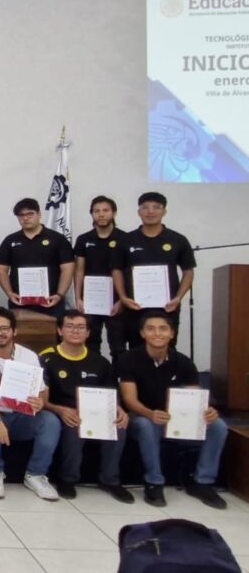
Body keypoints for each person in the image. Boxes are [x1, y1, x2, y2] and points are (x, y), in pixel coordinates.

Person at [118, 312, 228, 509]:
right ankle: (154, 482)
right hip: (142, 417)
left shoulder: (183, 362)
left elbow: (196, 398)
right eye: (151, 329)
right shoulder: (129, 359)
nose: (157, 333)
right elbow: (129, 399)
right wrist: (150, 414)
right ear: (142, 333)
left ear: (172, 333)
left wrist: (208, 410)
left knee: (218, 426)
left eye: (163, 329)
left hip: (176, 420)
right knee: (144, 424)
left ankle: (202, 482)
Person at [0, 307, 61, 501]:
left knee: (50, 421)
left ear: (14, 331)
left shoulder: (29, 356)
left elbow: (42, 391)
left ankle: (36, 475)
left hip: (20, 415)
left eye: (4, 328)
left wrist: (39, 402)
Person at [38, 310, 133, 502]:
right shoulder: (47, 358)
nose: (75, 331)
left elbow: (111, 395)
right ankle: (67, 479)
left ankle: (110, 480)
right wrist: (60, 410)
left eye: (81, 327)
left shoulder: (100, 362)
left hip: (95, 412)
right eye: (70, 326)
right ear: (60, 330)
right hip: (60, 412)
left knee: (118, 427)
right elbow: (42, 400)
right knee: (74, 425)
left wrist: (120, 410)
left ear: (88, 333)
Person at [111, 192, 195, 350]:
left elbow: (188, 271)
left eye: (156, 207)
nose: (150, 212)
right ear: (139, 212)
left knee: (166, 348)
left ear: (164, 212)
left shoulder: (178, 240)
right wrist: (123, 297)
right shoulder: (126, 241)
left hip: (167, 306)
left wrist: (178, 298)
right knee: (136, 349)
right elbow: (116, 270)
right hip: (135, 307)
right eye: (145, 208)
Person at [0, 198, 74, 319]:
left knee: (51, 336)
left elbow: (67, 269)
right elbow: (1, 270)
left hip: (51, 301)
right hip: (20, 302)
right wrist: (10, 293)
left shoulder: (57, 239)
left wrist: (59, 294)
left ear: (39, 214)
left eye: (30, 214)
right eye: (21, 215)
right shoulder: (10, 240)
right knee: (20, 336)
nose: (25, 218)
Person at [73, 195, 129, 362]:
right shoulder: (84, 239)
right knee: (90, 343)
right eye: (96, 211)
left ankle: (119, 382)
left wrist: (123, 300)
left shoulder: (125, 239)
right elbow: (79, 270)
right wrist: (78, 298)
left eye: (105, 210)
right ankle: (94, 382)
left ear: (114, 213)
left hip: (117, 301)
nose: (101, 214)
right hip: (91, 301)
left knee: (118, 346)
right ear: (92, 214)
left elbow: (128, 272)